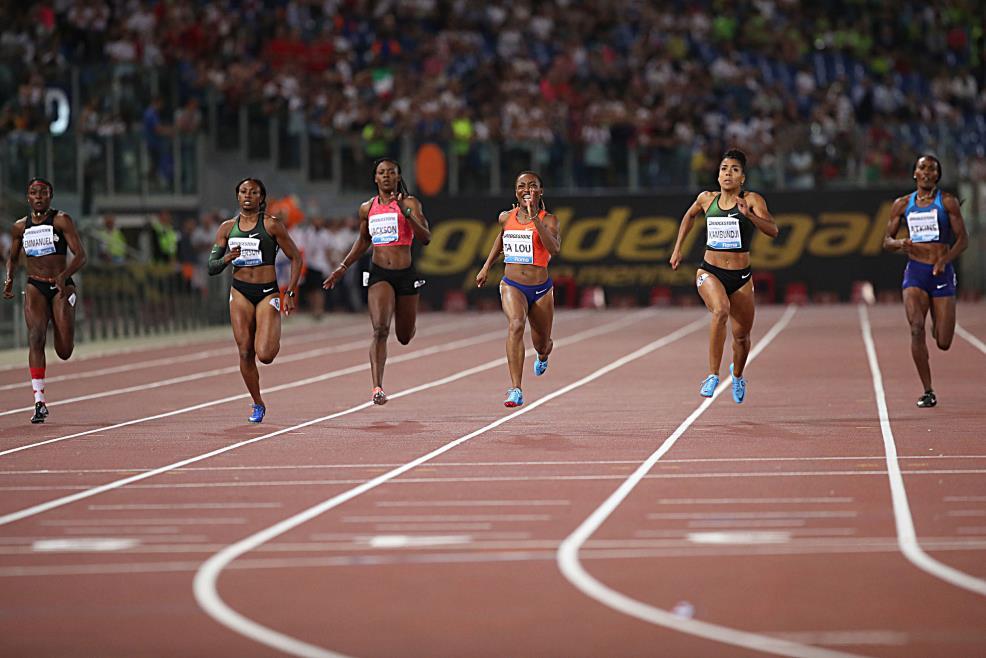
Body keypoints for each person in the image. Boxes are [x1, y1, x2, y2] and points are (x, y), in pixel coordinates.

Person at [669, 149, 778, 404]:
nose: (728, 173)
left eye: (734, 169)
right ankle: (712, 375)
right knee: (720, 311)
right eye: (724, 169)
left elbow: (773, 230)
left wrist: (749, 215)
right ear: (718, 176)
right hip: (710, 271)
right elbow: (689, 216)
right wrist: (678, 249)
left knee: (741, 338)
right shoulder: (707, 199)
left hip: (741, 277)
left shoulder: (752, 200)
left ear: (742, 178)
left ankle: (737, 375)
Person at [322, 158, 431, 405]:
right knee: (380, 329)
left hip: (406, 274)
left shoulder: (410, 202)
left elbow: (425, 238)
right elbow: (363, 240)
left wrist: (408, 214)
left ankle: (409, 323)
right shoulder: (367, 208)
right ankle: (377, 387)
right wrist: (343, 266)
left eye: (391, 173)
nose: (386, 177)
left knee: (403, 336)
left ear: (397, 176)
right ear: (375, 178)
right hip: (379, 273)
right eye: (381, 173)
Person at [208, 178, 302, 423]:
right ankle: (257, 402)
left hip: (267, 292)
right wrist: (228, 257)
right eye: (243, 191)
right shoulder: (227, 228)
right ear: (237, 196)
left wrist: (290, 292)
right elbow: (211, 267)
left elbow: (295, 258)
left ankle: (269, 331)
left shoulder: (272, 225)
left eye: (254, 192)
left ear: (261, 197)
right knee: (244, 351)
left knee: (266, 354)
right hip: (240, 292)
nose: (248, 195)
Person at [882, 154, 968, 408]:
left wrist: (945, 259)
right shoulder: (902, 204)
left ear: (937, 176)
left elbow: (963, 239)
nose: (928, 172)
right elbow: (886, 241)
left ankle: (938, 323)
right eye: (923, 168)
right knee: (916, 328)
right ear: (915, 173)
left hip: (941, 273)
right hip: (916, 273)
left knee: (943, 342)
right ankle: (928, 390)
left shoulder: (948, 202)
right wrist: (900, 243)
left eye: (933, 169)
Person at [3, 178, 87, 423]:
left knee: (64, 351)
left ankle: (69, 307)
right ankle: (39, 401)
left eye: (43, 193)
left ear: (51, 196)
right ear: (27, 197)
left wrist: (64, 275)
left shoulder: (61, 220)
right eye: (33, 193)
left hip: (60, 286)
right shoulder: (20, 226)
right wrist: (9, 279)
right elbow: (12, 256)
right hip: (35, 285)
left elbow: (81, 255)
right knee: (36, 336)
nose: (38, 197)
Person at [476, 171, 561, 408]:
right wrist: (486, 267)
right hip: (512, 284)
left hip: (541, 289)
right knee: (515, 324)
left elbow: (554, 249)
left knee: (542, 344)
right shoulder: (506, 217)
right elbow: (501, 239)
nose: (527, 189)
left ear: (540, 191)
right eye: (522, 186)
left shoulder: (549, 220)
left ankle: (544, 355)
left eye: (532, 186)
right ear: (516, 192)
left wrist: (535, 219)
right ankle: (516, 388)